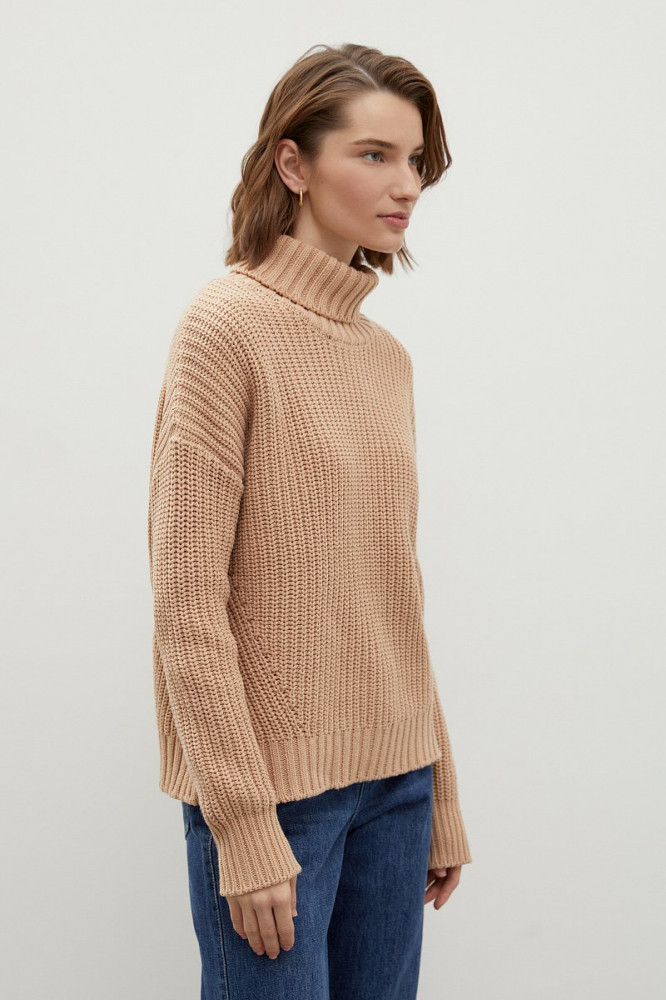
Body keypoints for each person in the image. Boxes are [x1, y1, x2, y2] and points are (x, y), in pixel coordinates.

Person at [147, 41, 472, 1000]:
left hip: (398, 786)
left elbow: (393, 589)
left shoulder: (386, 359)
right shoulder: (225, 329)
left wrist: (439, 792)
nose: (406, 184)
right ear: (293, 164)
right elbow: (187, 604)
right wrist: (244, 827)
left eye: (416, 160)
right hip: (276, 799)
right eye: (374, 154)